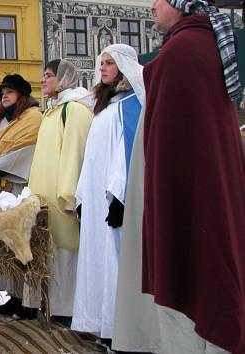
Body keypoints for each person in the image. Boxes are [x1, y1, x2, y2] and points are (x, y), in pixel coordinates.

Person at [113, 1, 245, 353]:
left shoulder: (181, 53)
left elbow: (171, 156)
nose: (153, 5)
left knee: (184, 315)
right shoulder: (206, 46)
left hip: (189, 211)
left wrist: (161, 215)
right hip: (211, 204)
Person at [72, 44, 143, 342]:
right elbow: (91, 155)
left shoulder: (131, 104)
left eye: (109, 63)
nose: (102, 68)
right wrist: (81, 196)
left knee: (114, 260)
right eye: (101, 63)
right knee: (96, 260)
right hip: (95, 197)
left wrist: (120, 197)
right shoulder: (103, 105)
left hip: (114, 198)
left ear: (124, 66)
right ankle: (101, 324)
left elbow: (126, 152)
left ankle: (119, 329)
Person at [27, 59, 93, 325]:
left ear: (64, 79)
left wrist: (69, 195)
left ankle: (67, 308)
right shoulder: (52, 111)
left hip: (61, 198)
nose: (43, 80)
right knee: (49, 251)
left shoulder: (74, 111)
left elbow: (74, 153)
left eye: (49, 75)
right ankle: (51, 304)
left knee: (65, 253)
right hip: (45, 197)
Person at [0, 74, 43, 319]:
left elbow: (27, 151)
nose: (4, 95)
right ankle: (14, 296)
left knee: (26, 243)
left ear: (22, 96)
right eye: (3, 92)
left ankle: (31, 300)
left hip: (18, 189)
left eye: (10, 92)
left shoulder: (33, 118)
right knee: (5, 247)